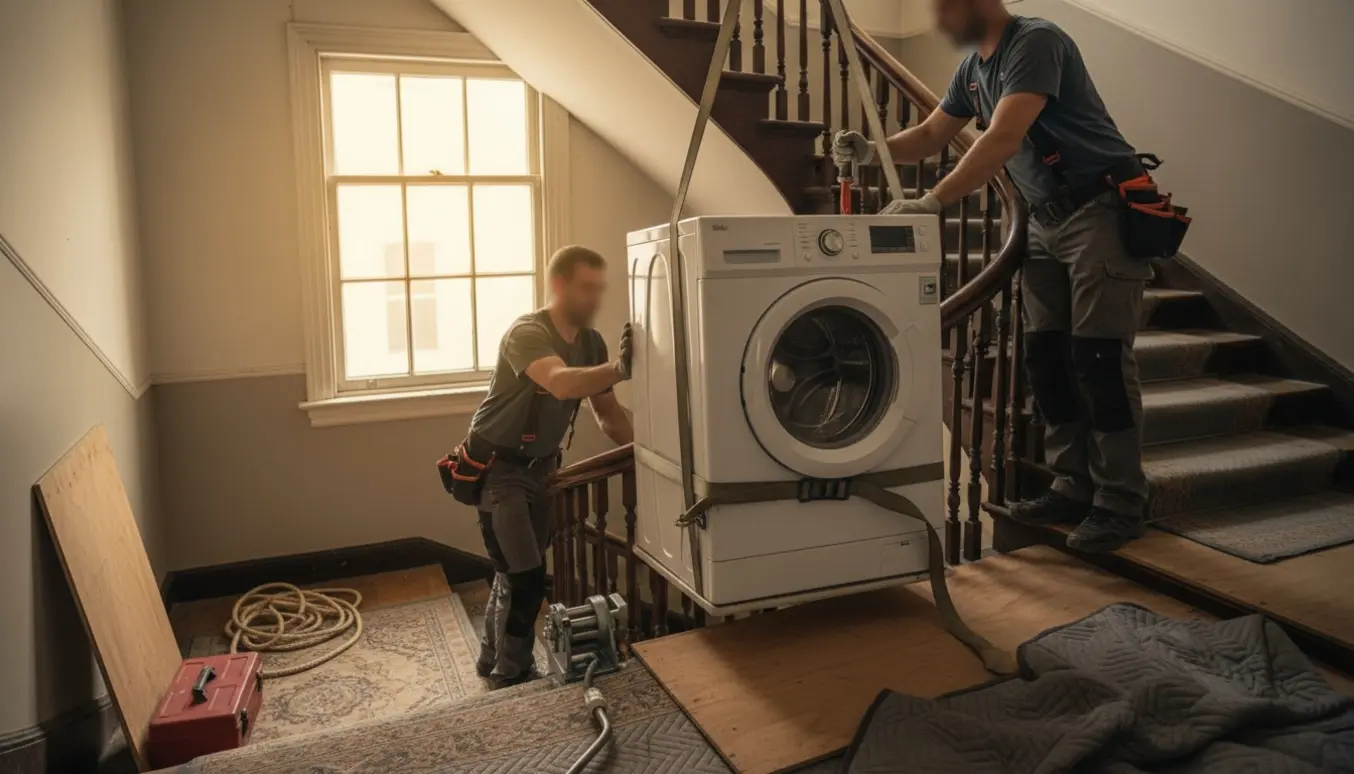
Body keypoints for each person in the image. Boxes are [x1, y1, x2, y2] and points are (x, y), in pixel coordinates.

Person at [832, 0, 1150, 552]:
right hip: (1045, 222)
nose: (938, 21)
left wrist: (932, 201)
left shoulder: (1036, 42)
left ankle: (1121, 501)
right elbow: (934, 133)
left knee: (1099, 360)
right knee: (1046, 359)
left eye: (945, 8)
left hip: (1098, 211)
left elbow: (1002, 138)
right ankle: (1073, 485)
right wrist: (871, 150)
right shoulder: (973, 69)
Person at [465, 245, 634, 686]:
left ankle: (490, 656)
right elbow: (559, 384)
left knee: (515, 570)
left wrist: (655, 452)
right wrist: (619, 367)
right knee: (528, 579)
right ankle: (513, 673)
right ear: (558, 285)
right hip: (499, 471)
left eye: (600, 289)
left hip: (543, 469)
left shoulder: (592, 342)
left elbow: (608, 414)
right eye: (586, 288)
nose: (595, 298)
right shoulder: (527, 333)